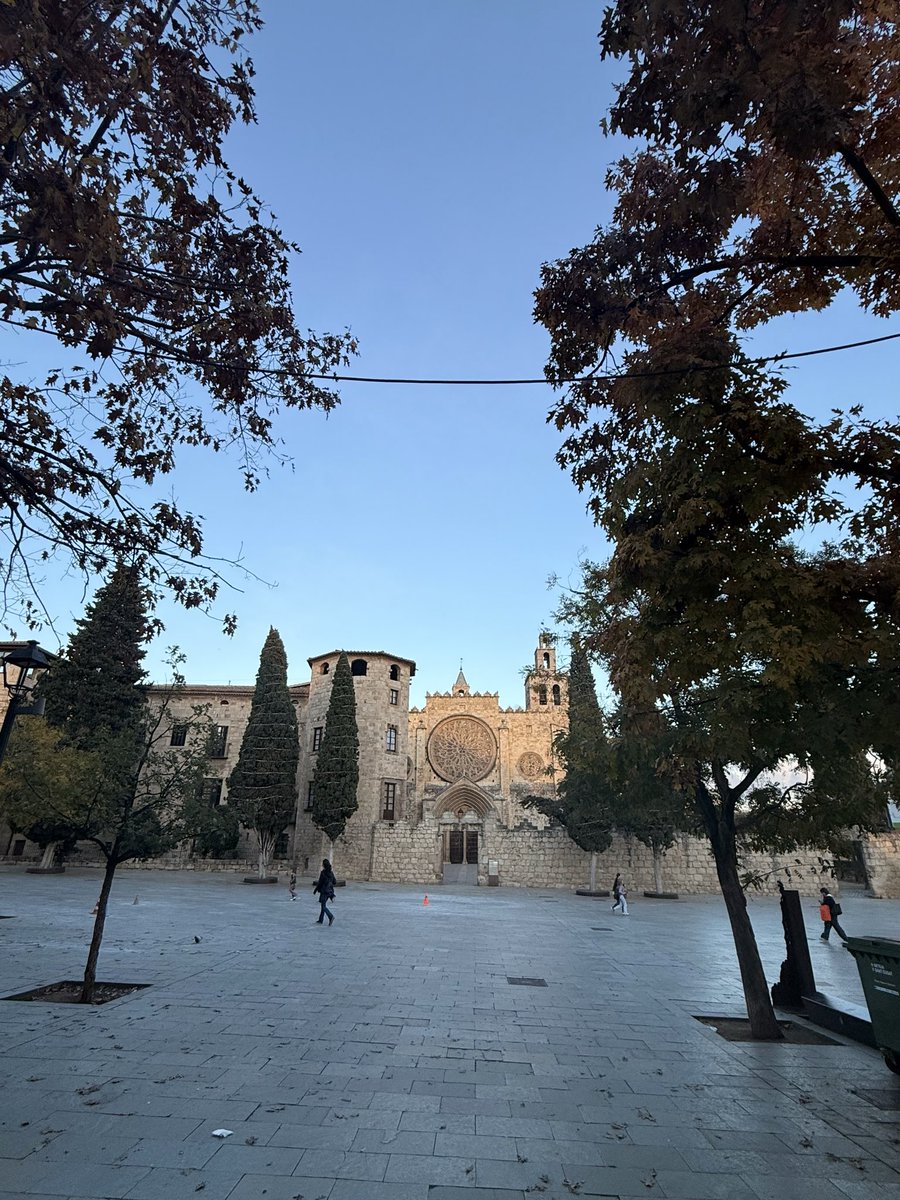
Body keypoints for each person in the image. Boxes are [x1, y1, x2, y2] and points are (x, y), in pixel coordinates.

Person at [313, 858, 336, 925]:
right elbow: (334, 881)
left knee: (323, 906)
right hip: (330, 891)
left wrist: (316, 889)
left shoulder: (323, 873)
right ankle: (321, 919)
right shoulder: (331, 873)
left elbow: (320, 882)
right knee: (323, 905)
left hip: (324, 891)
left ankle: (330, 916)